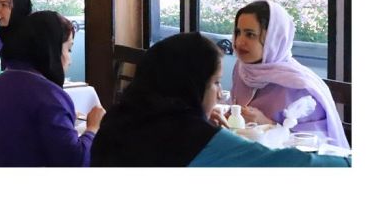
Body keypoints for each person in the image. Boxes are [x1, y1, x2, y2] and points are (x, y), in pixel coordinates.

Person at [91, 32, 347, 167]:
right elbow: (291, 165)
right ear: (190, 86)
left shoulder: (118, 119)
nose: (220, 93)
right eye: (214, 82)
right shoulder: (191, 138)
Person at [0, 11, 104, 166]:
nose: (69, 60)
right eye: (68, 49)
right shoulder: (50, 98)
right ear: (51, 50)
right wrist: (93, 128)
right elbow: (76, 162)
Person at [230, 0, 349, 147]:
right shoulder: (242, 70)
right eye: (238, 32)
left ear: (274, 39)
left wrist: (268, 125)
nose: (239, 42)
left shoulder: (300, 86)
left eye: (250, 34)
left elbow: (318, 144)